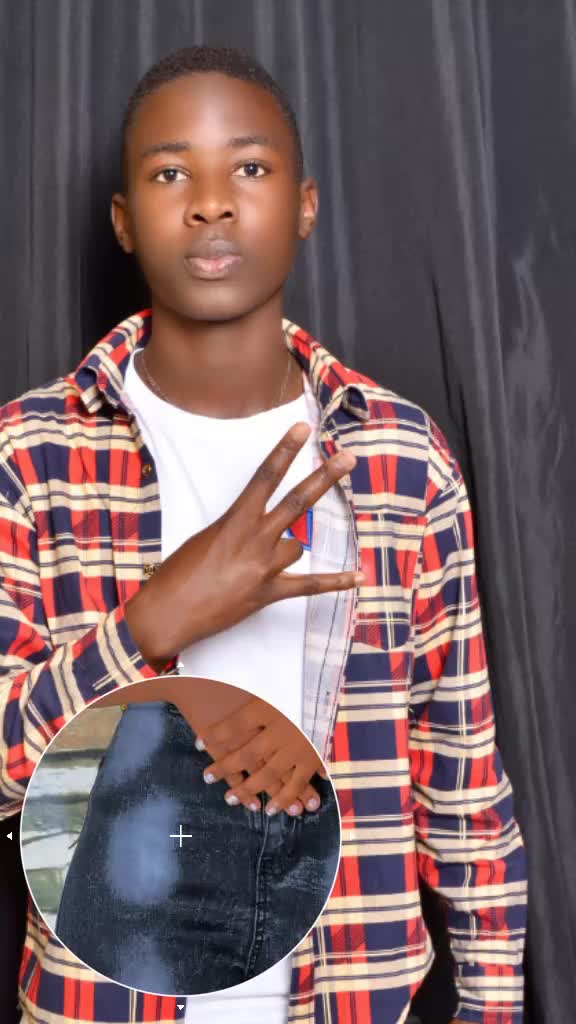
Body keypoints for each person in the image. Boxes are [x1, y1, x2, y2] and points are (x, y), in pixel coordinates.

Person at [0, 44, 527, 1024]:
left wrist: (492, 1005)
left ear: (306, 205)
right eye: (171, 174)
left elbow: (461, 777)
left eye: (248, 167)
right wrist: (150, 624)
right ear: (123, 220)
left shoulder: (401, 459)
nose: (211, 203)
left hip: (352, 995)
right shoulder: (31, 457)